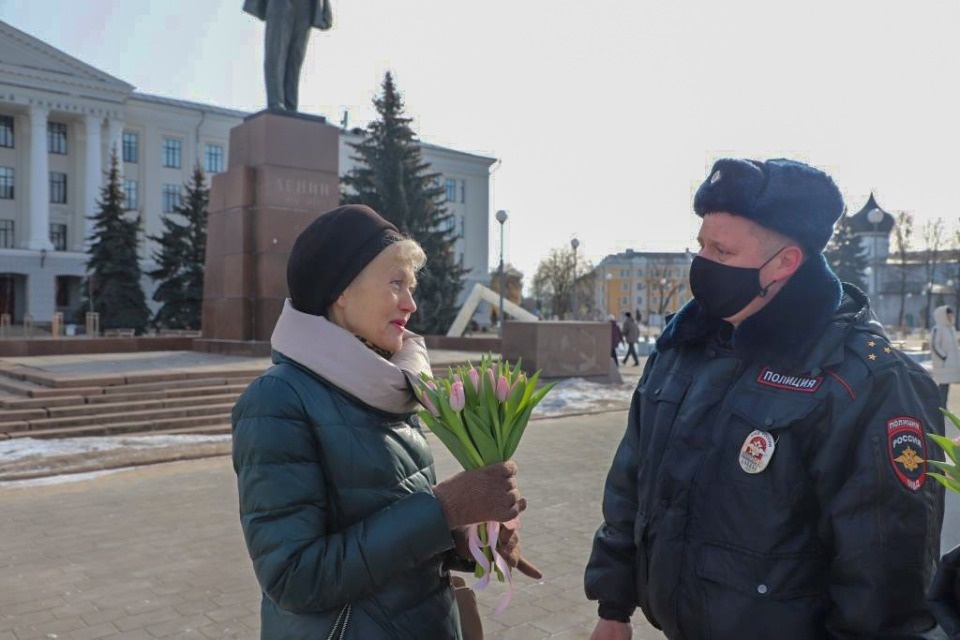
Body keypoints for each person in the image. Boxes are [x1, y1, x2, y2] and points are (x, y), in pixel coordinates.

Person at [584, 158, 946, 640]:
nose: (703, 263)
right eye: (701, 244)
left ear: (785, 263)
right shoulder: (685, 345)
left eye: (723, 250)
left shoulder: (867, 381)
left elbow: (883, 580)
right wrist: (614, 606)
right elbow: (632, 482)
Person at [232, 204, 540, 639]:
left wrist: (470, 539)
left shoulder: (387, 385)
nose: (411, 303)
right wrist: (445, 507)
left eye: (411, 286)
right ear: (339, 290)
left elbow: (391, 532)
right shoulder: (277, 401)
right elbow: (295, 577)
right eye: (396, 283)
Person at [242, 0, 333, 111]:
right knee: (276, 52)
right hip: (281, 3)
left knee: (295, 59)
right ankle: (275, 101)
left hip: (306, 6)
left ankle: (291, 105)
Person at [931, 305, 960, 406]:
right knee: (942, 387)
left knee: (946, 387)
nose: (951, 317)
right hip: (943, 365)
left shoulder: (951, 329)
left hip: (950, 365)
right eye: (949, 315)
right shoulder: (938, 329)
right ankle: (939, 408)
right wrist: (944, 357)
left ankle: (943, 408)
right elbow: (935, 345)